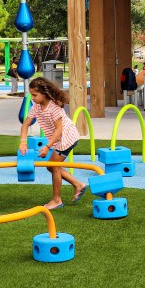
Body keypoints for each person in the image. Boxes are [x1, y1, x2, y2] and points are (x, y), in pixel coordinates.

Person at [18, 77, 86, 209]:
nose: (32, 98)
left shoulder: (54, 107)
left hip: (66, 137)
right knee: (51, 166)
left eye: (35, 95)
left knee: (53, 166)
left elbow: (59, 130)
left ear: (44, 93)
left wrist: (47, 146)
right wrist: (22, 142)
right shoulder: (36, 106)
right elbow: (25, 124)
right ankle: (78, 185)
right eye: (31, 94)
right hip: (59, 139)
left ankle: (57, 200)